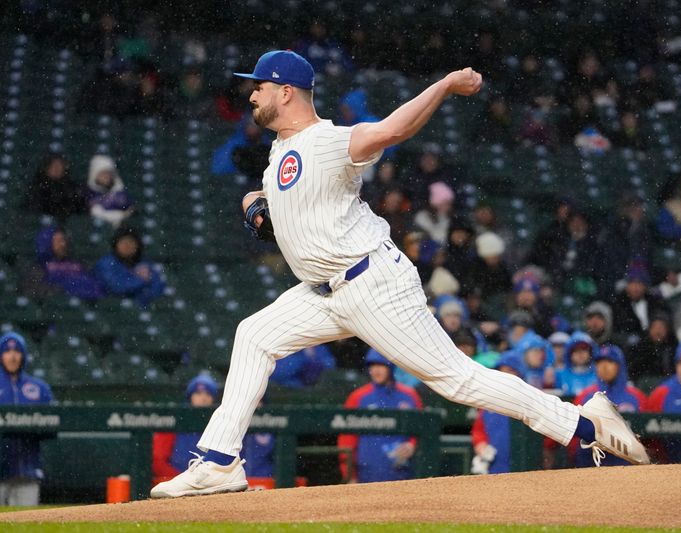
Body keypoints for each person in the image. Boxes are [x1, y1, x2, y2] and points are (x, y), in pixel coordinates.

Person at [151, 50, 648, 498]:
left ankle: (584, 424)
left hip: (372, 284)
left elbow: (389, 130)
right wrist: (254, 205)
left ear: (285, 92)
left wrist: (446, 83)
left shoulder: (327, 141)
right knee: (254, 334)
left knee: (458, 381)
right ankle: (218, 462)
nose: (251, 92)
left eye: (258, 85)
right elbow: (274, 203)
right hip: (321, 292)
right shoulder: (280, 152)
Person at [336, 350, 423, 483]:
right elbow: (347, 440)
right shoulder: (358, 397)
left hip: (403, 473)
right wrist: (349, 474)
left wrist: (412, 445)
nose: (376, 370)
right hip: (367, 473)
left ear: (390, 366)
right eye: (372, 365)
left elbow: (422, 430)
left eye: (381, 365)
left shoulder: (409, 395)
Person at [0, 332, 54, 506]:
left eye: (17, 351)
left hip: (27, 472)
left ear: (23, 355)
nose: (12, 356)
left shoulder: (39, 388)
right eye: (7, 351)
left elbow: (52, 425)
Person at [574, 345, 647, 467]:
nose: (604, 366)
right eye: (599, 362)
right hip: (591, 464)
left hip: (628, 466)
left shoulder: (636, 397)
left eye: (610, 361)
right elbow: (573, 440)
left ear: (620, 365)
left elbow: (649, 436)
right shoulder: (584, 396)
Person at [153, 375, 219, 484]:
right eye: (198, 393)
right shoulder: (174, 419)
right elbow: (158, 460)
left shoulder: (219, 424)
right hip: (175, 483)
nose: (203, 398)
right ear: (190, 396)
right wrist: (180, 481)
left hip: (209, 483)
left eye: (208, 394)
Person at [470, 354, 527, 475]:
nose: (506, 375)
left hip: (525, 465)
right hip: (496, 466)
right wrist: (481, 445)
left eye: (510, 371)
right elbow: (478, 431)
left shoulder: (529, 400)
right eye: (502, 371)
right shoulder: (488, 402)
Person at [22, 227, 104, 302]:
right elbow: (31, 291)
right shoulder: (39, 267)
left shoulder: (77, 264)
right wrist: (61, 290)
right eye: (58, 241)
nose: (63, 244)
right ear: (47, 243)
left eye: (63, 240)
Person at [95, 227, 165, 307]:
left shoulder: (145, 262)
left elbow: (157, 287)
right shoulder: (106, 262)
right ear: (116, 244)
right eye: (123, 242)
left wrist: (143, 296)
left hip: (139, 307)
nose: (127, 246)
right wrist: (141, 279)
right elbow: (116, 287)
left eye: (131, 242)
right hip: (111, 306)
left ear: (137, 245)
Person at [26, 153, 85, 222]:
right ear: (46, 168)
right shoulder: (38, 186)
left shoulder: (71, 187)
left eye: (59, 165)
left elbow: (78, 209)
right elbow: (34, 208)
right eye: (53, 165)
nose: (56, 169)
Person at [626, 311, 677, 382]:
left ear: (667, 330)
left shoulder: (674, 348)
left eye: (661, 327)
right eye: (655, 327)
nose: (658, 331)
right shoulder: (640, 349)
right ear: (649, 329)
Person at [85, 154, 134, 228]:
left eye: (108, 173)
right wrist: (120, 215)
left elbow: (129, 210)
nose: (106, 176)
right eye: (102, 173)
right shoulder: (88, 193)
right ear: (95, 175)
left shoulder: (121, 193)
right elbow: (94, 212)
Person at [554, 332, 598, 397]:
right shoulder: (560, 375)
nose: (580, 353)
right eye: (576, 350)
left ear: (590, 352)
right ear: (569, 354)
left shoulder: (599, 374)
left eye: (584, 349)